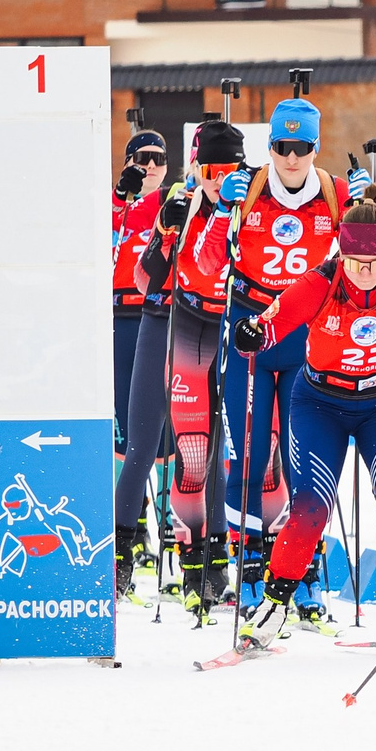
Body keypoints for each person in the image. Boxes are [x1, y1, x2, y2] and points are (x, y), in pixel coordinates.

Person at [235, 201, 376, 634]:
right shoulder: (318, 282)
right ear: (340, 254)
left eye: (375, 263)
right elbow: (266, 330)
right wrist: (250, 333)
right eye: (355, 263)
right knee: (310, 506)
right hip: (321, 404)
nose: (364, 272)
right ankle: (275, 602)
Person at [223, 98, 346, 584]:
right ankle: (249, 561)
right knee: (249, 455)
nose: (291, 158)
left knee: (304, 462)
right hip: (252, 332)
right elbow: (211, 261)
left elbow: (372, 260)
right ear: (269, 146)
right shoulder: (248, 190)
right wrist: (215, 205)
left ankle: (303, 567)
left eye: (302, 147)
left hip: (303, 334)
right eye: (281, 146)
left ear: (316, 148)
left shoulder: (334, 195)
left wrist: (365, 214)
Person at [127, 119, 249, 601]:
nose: (218, 178)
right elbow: (145, 275)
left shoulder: (252, 197)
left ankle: (225, 563)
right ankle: (165, 554)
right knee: (174, 448)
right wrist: (164, 227)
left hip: (231, 328)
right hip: (172, 323)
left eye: (229, 169)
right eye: (209, 168)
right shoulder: (178, 200)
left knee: (230, 451)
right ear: (196, 166)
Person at [111, 129, 170, 454]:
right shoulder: (114, 202)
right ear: (127, 163)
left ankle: (165, 492)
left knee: (165, 410)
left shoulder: (173, 202)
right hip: (122, 315)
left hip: (161, 312)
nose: (149, 165)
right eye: (141, 158)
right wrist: (121, 196)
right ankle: (131, 498)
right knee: (123, 407)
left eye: (157, 158)